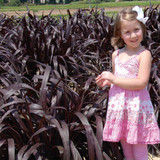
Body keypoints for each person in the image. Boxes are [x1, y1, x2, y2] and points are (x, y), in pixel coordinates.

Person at [96, 6, 160, 160]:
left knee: (139, 152)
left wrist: (114, 79)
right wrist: (108, 82)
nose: (133, 35)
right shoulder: (116, 55)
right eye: (127, 32)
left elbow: (140, 83)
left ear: (142, 29)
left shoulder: (144, 54)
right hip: (121, 110)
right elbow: (117, 81)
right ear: (120, 34)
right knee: (128, 153)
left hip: (137, 111)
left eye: (136, 30)